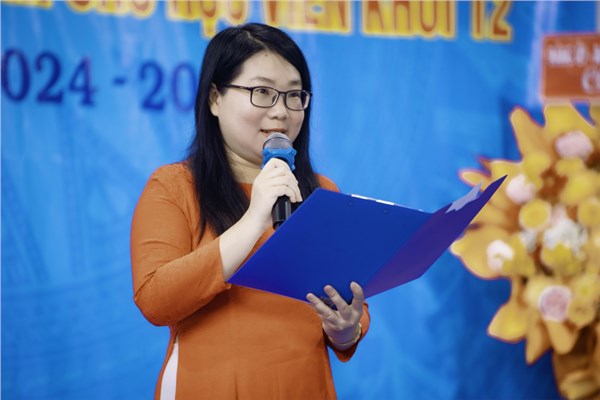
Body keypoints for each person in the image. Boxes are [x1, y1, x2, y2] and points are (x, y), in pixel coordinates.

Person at [130, 22, 370, 400]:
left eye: (294, 95)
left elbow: (346, 300)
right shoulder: (174, 186)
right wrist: (253, 219)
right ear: (215, 98)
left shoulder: (322, 192)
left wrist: (345, 329)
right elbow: (156, 300)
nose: (281, 112)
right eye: (262, 92)